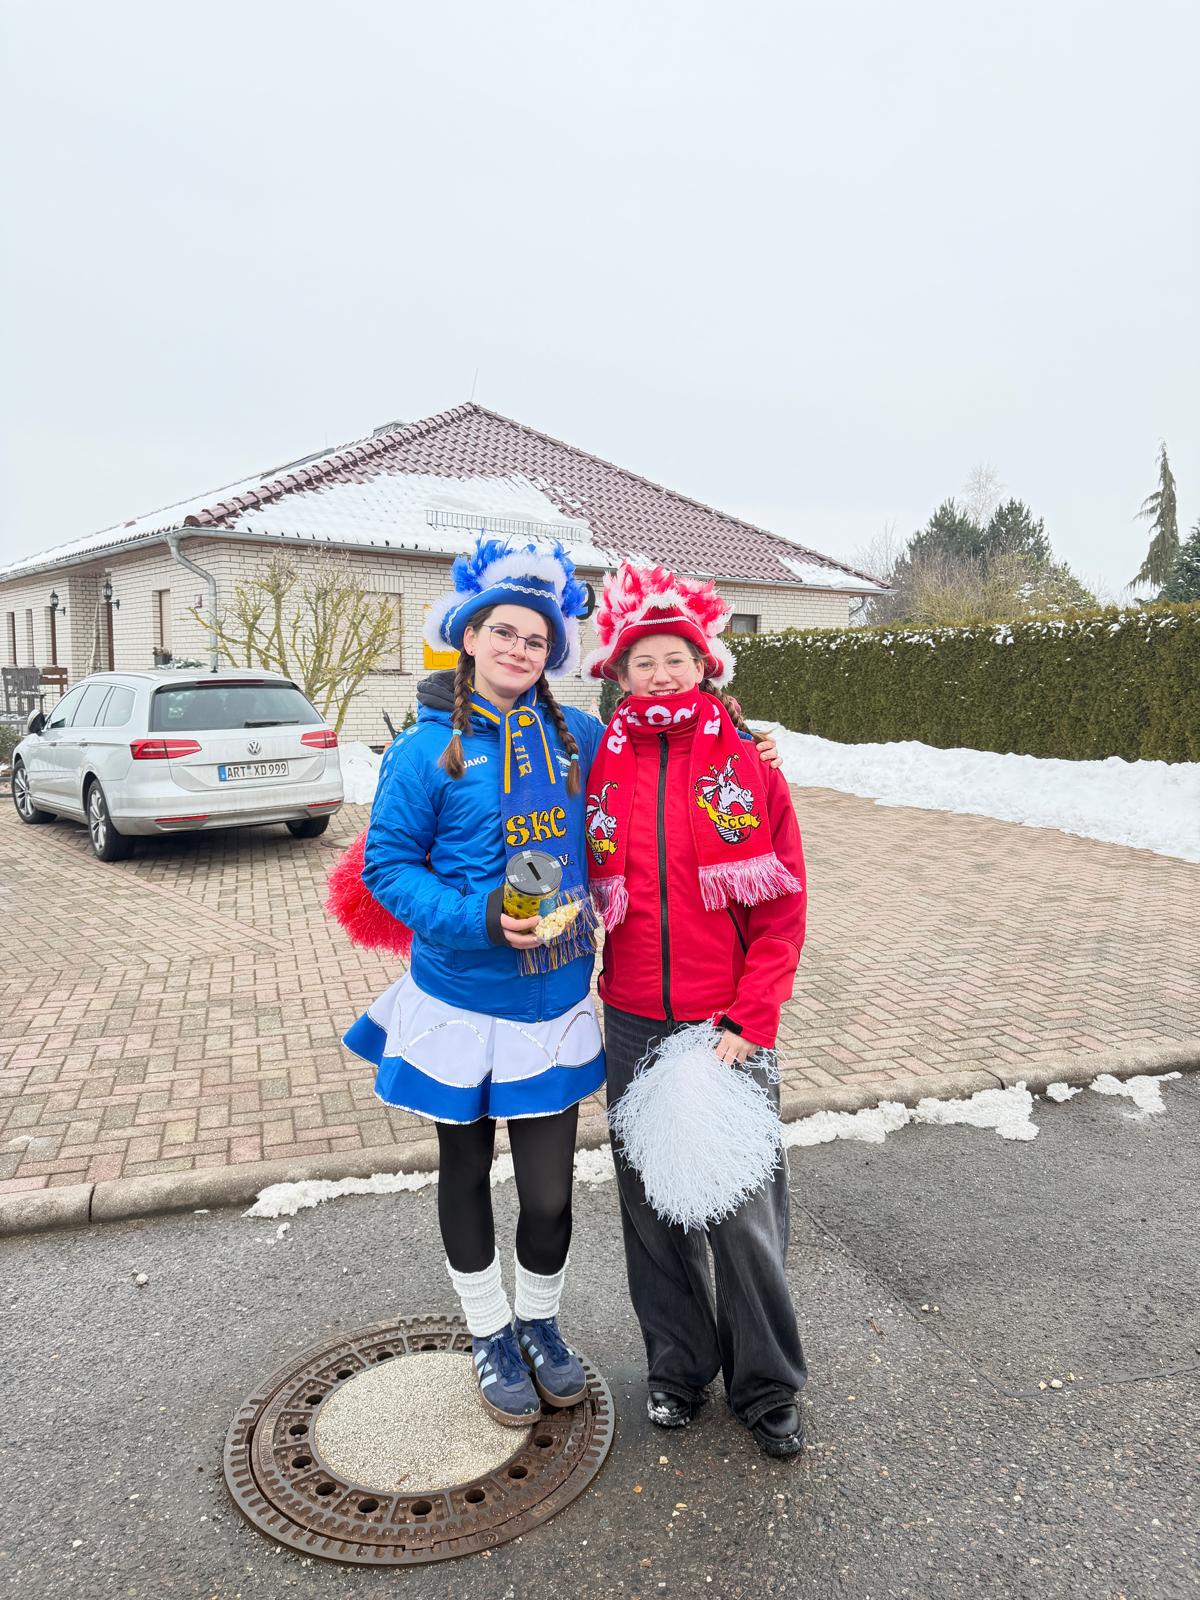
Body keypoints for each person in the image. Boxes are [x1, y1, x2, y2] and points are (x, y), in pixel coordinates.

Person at [341, 536, 607, 1426]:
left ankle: (540, 1323)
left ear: (551, 653)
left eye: (536, 639)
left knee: (550, 1193)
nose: (519, 650)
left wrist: (738, 743)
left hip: (554, 1001)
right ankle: (490, 1332)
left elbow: (653, 769)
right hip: (461, 999)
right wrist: (483, 918)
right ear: (469, 636)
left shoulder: (577, 737)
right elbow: (386, 869)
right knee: (465, 1171)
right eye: (504, 632)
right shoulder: (427, 751)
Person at [581, 562, 810, 1459]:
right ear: (619, 673)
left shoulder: (749, 762)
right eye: (643, 662)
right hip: (633, 1020)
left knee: (743, 1212)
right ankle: (677, 1370)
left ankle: (768, 1385)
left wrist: (752, 1018)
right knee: (653, 1210)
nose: (660, 674)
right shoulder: (599, 761)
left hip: (725, 1025)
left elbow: (783, 909)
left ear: (706, 663)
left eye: (675, 658)